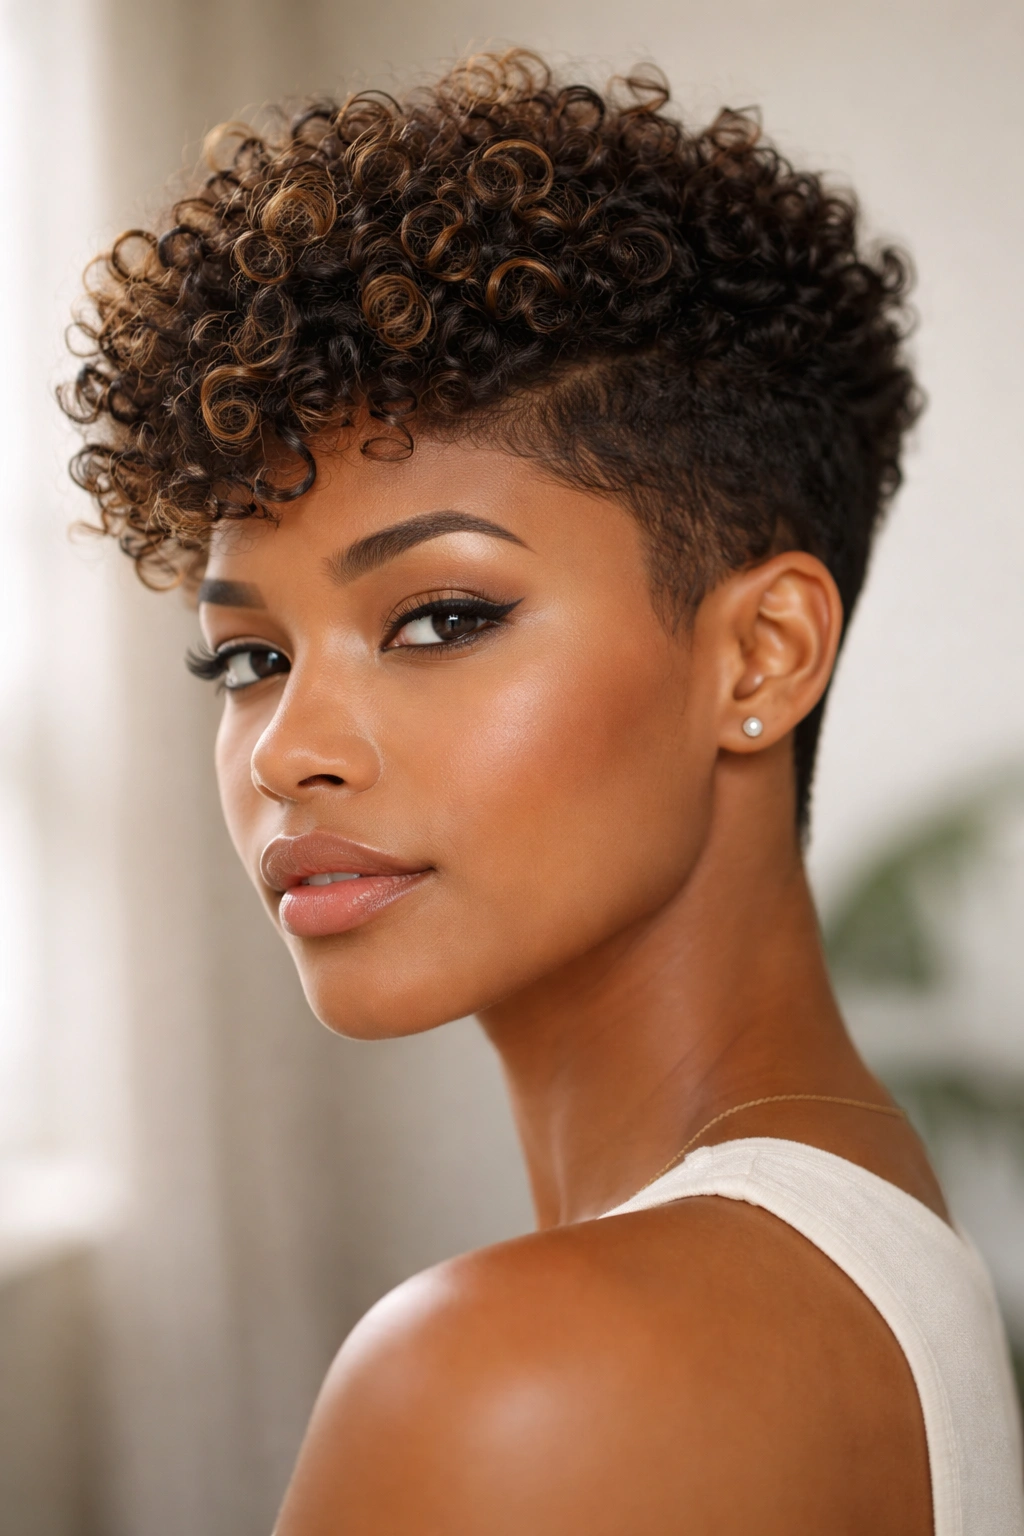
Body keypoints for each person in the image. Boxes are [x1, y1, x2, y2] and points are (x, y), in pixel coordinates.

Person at [63, 49, 1022, 1535]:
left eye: (439, 618)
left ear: (760, 655)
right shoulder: (872, 1223)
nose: (284, 749)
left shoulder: (519, 1378)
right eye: (244, 656)